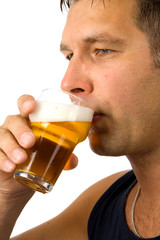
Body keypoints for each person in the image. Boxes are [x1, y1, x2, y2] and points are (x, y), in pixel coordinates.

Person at [1, 0, 160, 239]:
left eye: (103, 50)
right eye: (70, 56)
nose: (67, 83)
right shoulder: (103, 207)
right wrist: (5, 196)